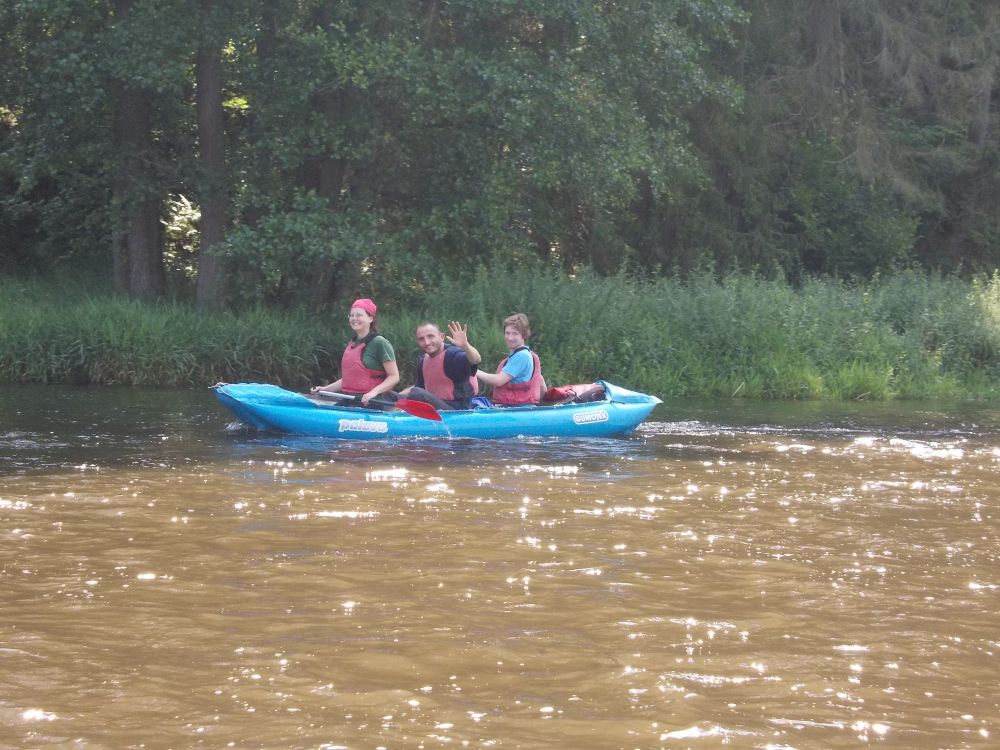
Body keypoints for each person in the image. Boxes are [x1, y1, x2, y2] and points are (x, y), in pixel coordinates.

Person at [310, 298, 400, 406]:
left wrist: (373, 392)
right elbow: (350, 379)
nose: (354, 318)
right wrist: (325, 389)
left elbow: (394, 376)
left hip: (373, 402)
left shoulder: (380, 343)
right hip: (351, 400)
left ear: (370, 318)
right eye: (351, 315)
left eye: (358, 315)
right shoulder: (353, 343)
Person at [400, 321, 482, 410]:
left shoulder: (453, 355)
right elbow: (418, 386)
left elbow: (476, 360)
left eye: (430, 336)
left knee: (416, 394)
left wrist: (465, 346)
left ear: (441, 337)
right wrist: (395, 396)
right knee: (393, 396)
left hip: (457, 411)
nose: (426, 342)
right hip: (436, 409)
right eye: (421, 339)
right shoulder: (423, 360)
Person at [476, 312, 546, 406]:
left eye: (515, 334)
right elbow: (540, 381)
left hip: (518, 409)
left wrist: (475, 371)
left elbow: (498, 381)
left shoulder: (522, 356)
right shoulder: (524, 354)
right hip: (518, 408)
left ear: (524, 335)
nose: (510, 337)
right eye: (507, 333)